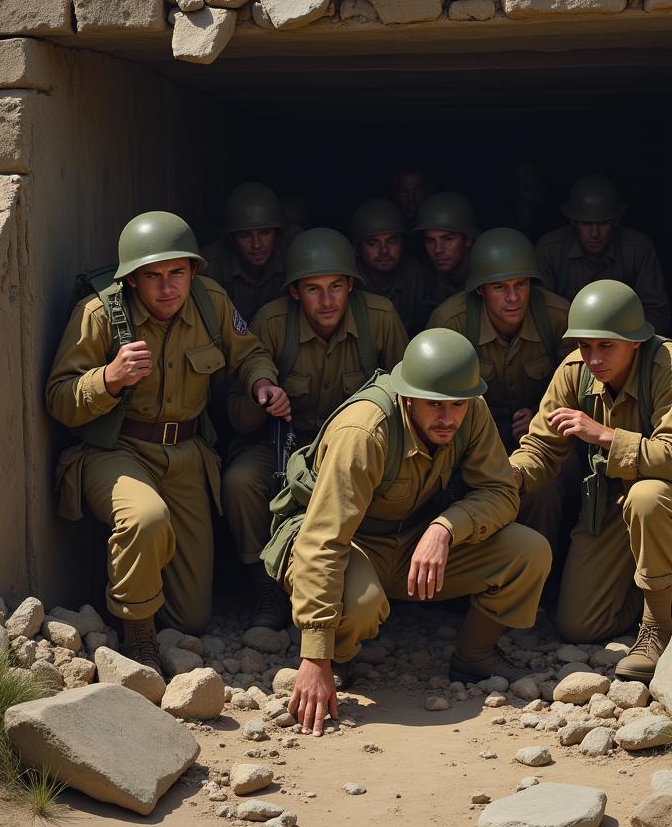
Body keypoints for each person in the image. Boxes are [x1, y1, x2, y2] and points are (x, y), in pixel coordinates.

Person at [45, 211, 289, 673]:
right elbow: (59, 400)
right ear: (132, 280)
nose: (166, 287)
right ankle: (139, 639)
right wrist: (109, 379)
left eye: (176, 272)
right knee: (145, 517)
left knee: (192, 617)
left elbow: (251, 351)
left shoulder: (210, 301)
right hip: (115, 450)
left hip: (186, 456)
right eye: (151, 276)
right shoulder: (99, 314)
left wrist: (262, 384)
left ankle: (150, 609)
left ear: (193, 270)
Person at [277, 329, 552, 734]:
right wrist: (316, 658)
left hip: (416, 539)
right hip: (351, 542)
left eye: (457, 405)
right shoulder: (365, 432)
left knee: (529, 551)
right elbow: (324, 539)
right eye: (434, 406)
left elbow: (499, 491)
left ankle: (475, 656)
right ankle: (340, 657)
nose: (448, 418)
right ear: (407, 398)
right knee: (362, 602)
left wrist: (446, 527)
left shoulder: (470, 410)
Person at [509, 280, 672, 682]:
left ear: (634, 342)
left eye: (606, 346)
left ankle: (657, 629)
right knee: (580, 626)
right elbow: (541, 448)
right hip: (612, 499)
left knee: (647, 497)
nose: (593, 358)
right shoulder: (574, 373)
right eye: (585, 346)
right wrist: (510, 476)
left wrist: (603, 435)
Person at [223, 228, 408, 629]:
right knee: (240, 482)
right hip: (286, 442)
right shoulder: (271, 323)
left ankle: (371, 586)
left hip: (356, 446)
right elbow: (233, 410)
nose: (327, 301)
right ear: (294, 293)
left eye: (336, 287)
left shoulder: (379, 318)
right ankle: (266, 588)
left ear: (351, 286)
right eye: (313, 289)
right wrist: (266, 401)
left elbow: (407, 397)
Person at [427, 228, 572, 545]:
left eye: (521, 284)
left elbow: (582, 390)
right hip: (468, 435)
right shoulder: (451, 323)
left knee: (544, 492)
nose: (513, 297)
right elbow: (428, 402)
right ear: (480, 290)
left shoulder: (557, 317)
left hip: (538, 435)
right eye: (500, 287)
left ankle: (539, 578)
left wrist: (539, 414)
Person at [536, 175, 670, 333]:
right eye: (586, 224)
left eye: (603, 223)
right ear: (573, 222)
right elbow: (541, 316)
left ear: (616, 221)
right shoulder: (551, 249)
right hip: (565, 342)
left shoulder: (637, 249)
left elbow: (656, 314)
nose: (594, 233)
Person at [202, 181, 301, 326]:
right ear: (231, 238)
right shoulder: (211, 266)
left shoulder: (295, 251)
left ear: (277, 233)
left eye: (265, 233)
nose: (256, 244)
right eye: (244, 235)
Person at [350, 197, 434, 336]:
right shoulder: (350, 281)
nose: (384, 250)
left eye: (392, 241)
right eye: (373, 243)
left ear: (403, 243)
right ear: (358, 248)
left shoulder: (416, 273)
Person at [414, 191, 480, 309]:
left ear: (468, 240)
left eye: (448, 239)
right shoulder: (421, 279)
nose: (438, 250)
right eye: (430, 241)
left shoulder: (485, 280)